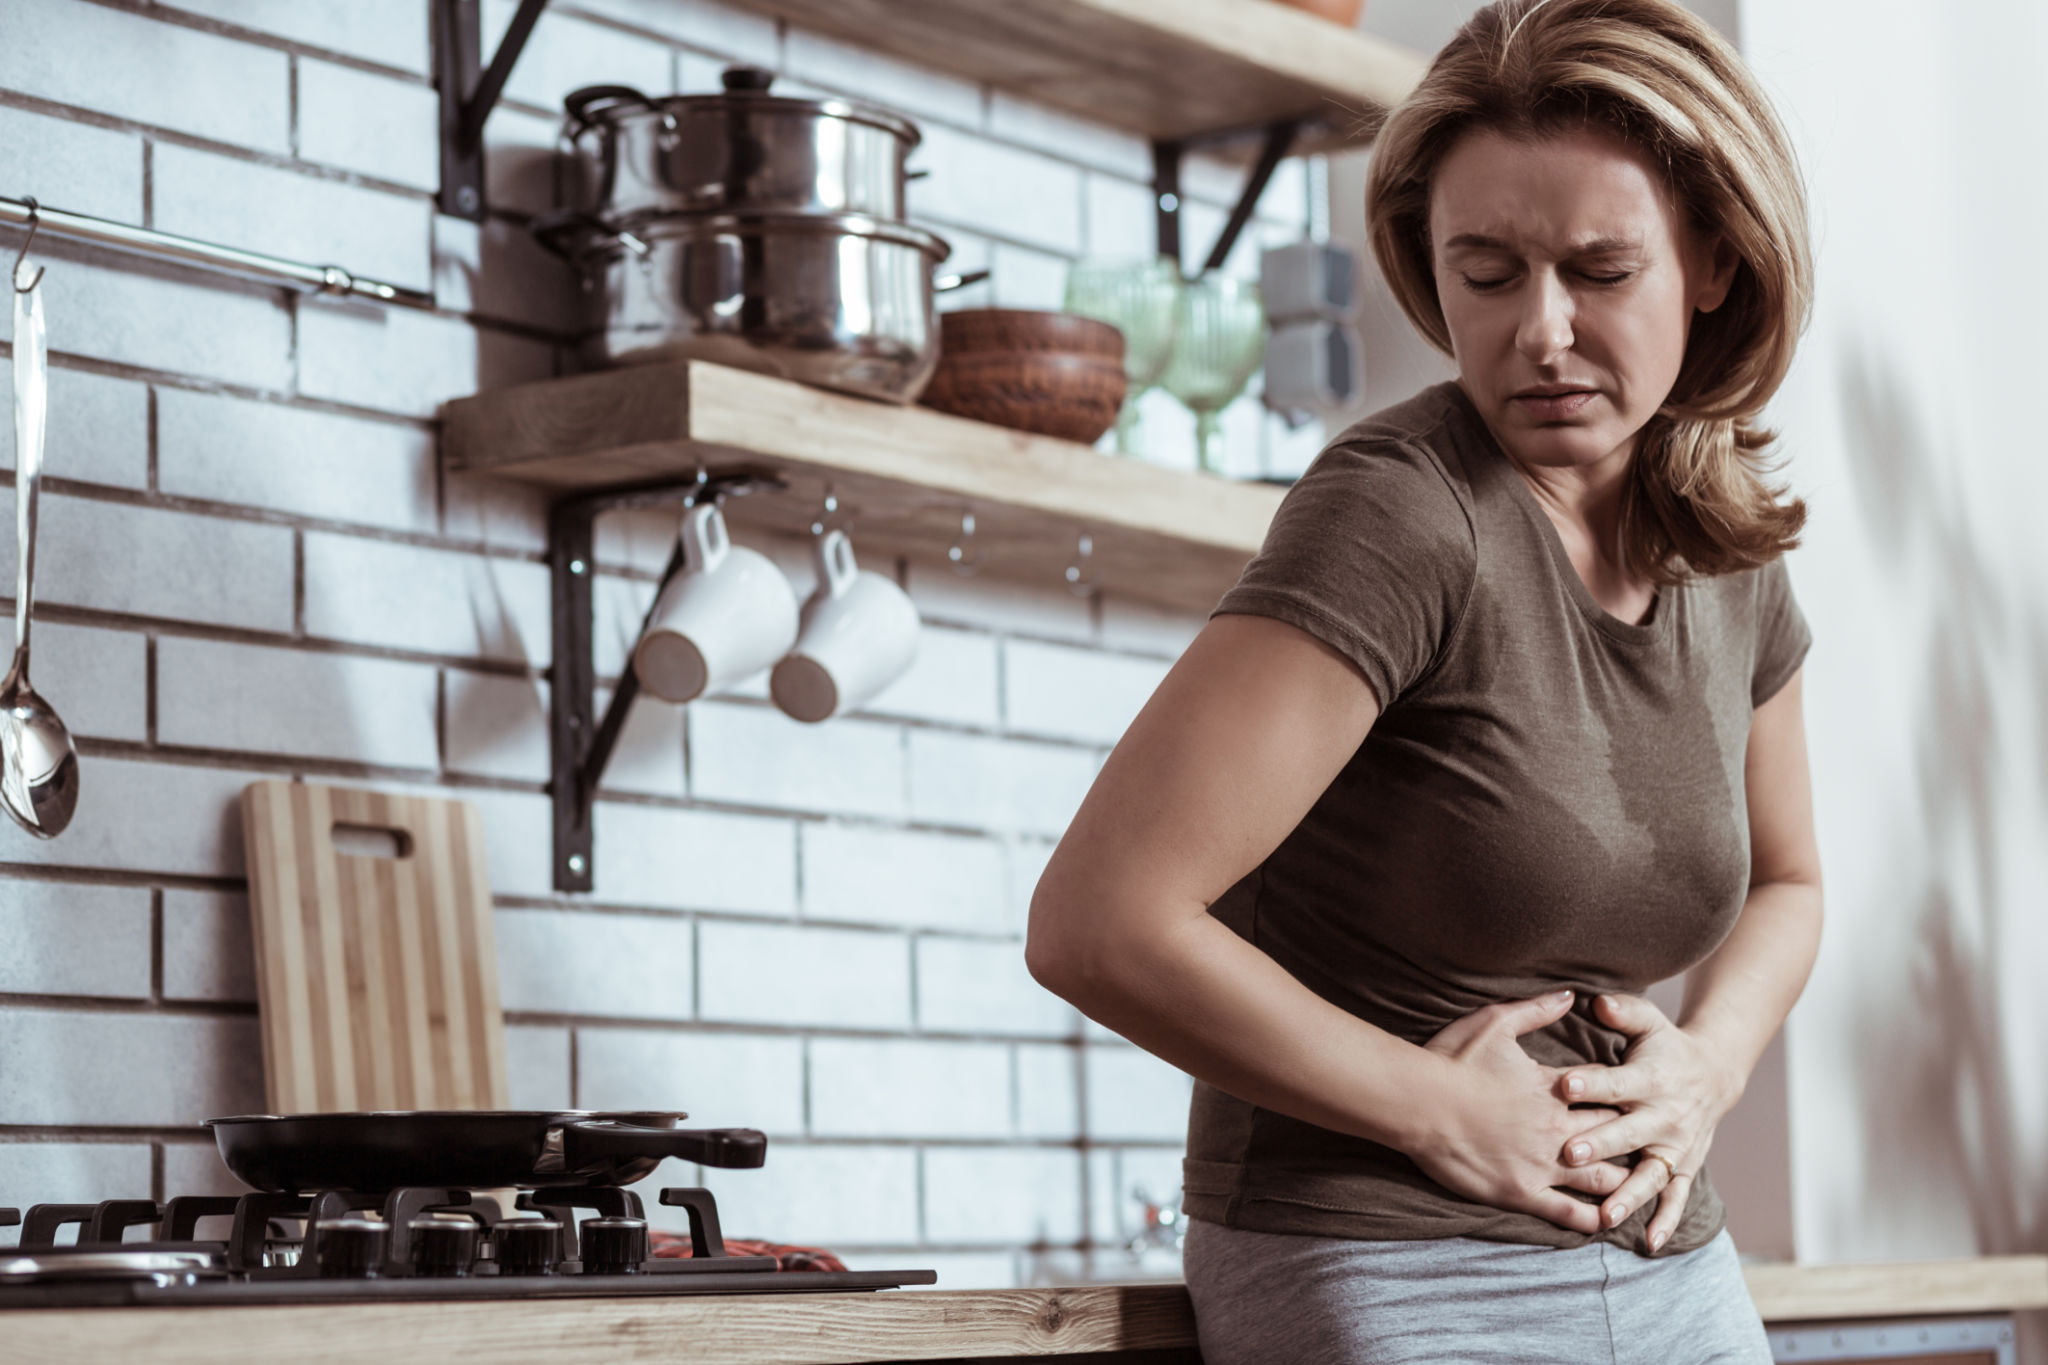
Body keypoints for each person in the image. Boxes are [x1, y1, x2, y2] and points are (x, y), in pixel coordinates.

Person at [1025, 0, 1822, 1359]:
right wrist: (1438, 1107)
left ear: (1711, 260)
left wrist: (1709, 1067)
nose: (1542, 332)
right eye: (1488, 271)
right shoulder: (1402, 514)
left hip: (1668, 1252)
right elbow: (1099, 918)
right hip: (1384, 1261)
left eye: (1599, 268)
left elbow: (1791, 884)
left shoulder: (1718, 535)